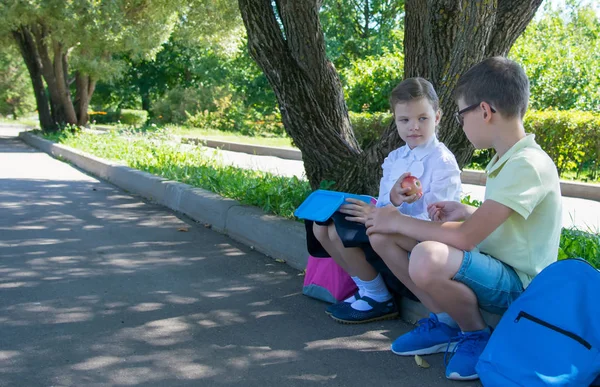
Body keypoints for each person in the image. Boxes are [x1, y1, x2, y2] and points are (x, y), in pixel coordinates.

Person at [365, 57, 562, 381]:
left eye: (461, 114)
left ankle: (475, 334)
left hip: (519, 284)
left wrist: (398, 220)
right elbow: (508, 225)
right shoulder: (506, 159)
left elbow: (467, 238)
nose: (461, 124)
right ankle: (444, 322)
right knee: (381, 236)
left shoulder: (527, 163)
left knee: (427, 255)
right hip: (494, 264)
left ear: (484, 111)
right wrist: (469, 212)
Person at [312, 77, 462, 324]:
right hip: (392, 223)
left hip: (423, 236)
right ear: (396, 121)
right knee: (324, 224)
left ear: (437, 117)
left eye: (422, 118)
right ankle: (370, 291)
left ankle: (380, 297)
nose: (413, 126)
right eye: (405, 120)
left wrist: (393, 216)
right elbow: (382, 204)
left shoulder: (442, 161)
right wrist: (393, 198)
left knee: (370, 231)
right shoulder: (395, 158)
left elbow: (437, 219)